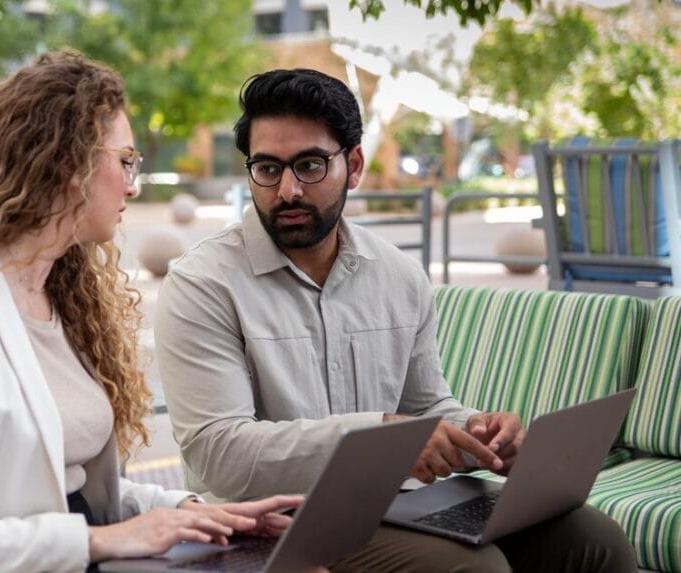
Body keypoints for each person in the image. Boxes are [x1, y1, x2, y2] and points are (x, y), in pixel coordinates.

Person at [154, 68, 636, 572]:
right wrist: (384, 437)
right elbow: (219, 455)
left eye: (311, 165)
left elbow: (426, 405)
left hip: (397, 504)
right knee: (474, 568)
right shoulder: (203, 284)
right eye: (268, 169)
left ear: (354, 164)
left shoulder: (399, 275)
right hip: (273, 520)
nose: (288, 190)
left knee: (594, 539)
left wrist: (477, 434)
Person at [0, 50, 300, 573]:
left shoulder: (61, 293)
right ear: (69, 162)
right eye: (126, 161)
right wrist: (103, 543)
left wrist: (192, 511)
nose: (133, 184)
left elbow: (70, 492)